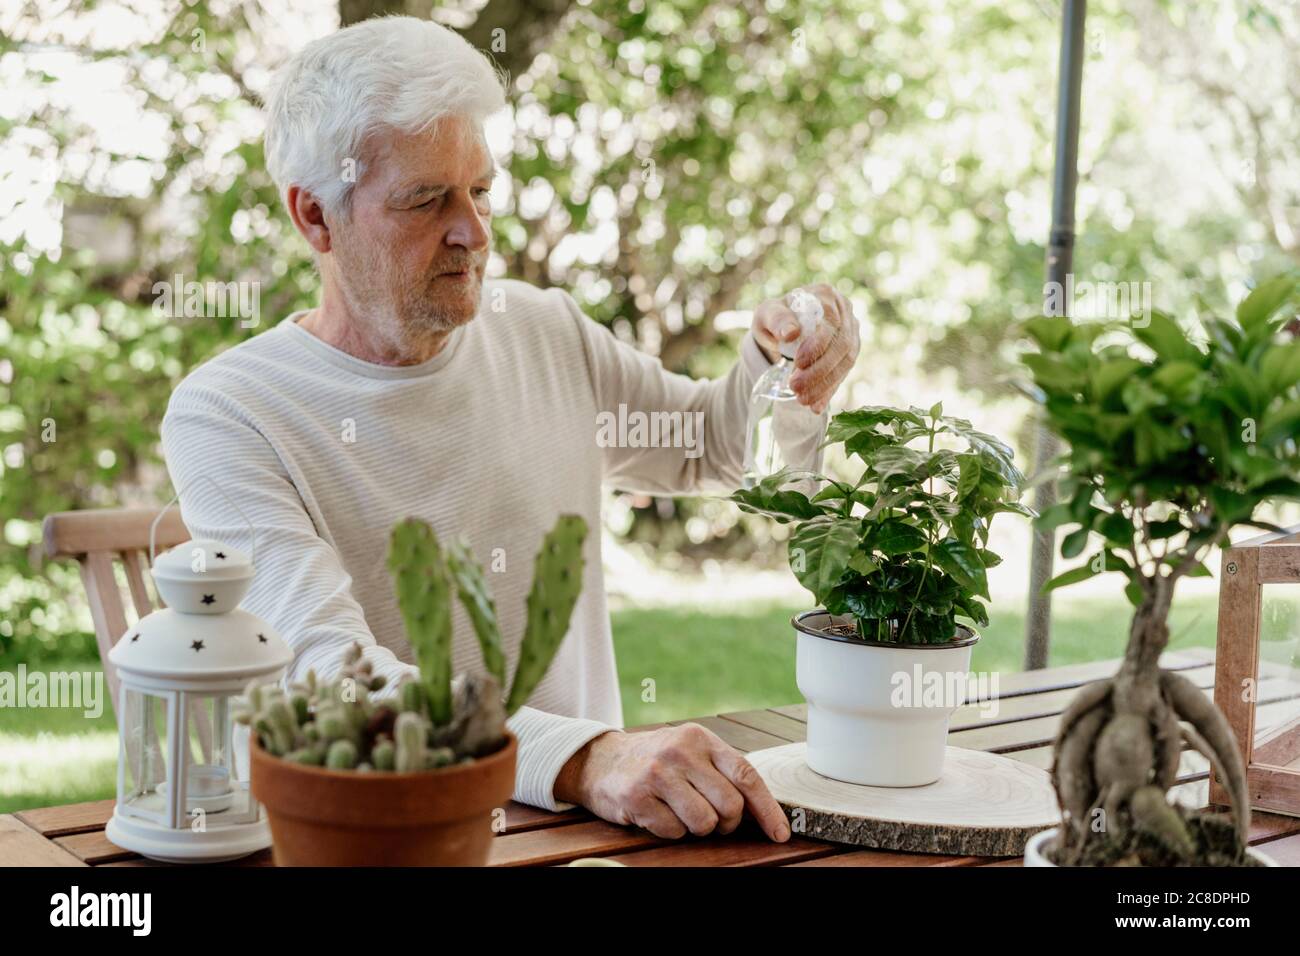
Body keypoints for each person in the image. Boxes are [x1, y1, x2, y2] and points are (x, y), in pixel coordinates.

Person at [161, 16, 861, 842]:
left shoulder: (540, 329)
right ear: (315, 216)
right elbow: (334, 679)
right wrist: (585, 758)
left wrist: (782, 357)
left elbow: (712, 446)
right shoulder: (231, 410)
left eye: (481, 190)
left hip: (587, 836)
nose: (474, 231)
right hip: (390, 844)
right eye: (427, 200)